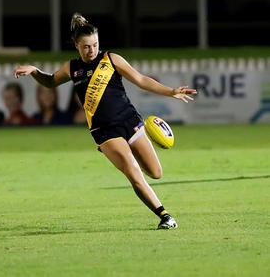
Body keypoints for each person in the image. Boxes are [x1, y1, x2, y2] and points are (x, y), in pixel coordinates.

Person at [13, 12, 197, 230]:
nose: (91, 50)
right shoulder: (72, 68)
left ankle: (157, 200)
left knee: (155, 173)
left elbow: (141, 80)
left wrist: (170, 92)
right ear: (76, 46)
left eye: (95, 44)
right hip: (104, 131)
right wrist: (35, 71)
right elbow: (51, 82)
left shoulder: (110, 59)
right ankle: (165, 216)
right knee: (133, 172)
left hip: (130, 121)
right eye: (86, 46)